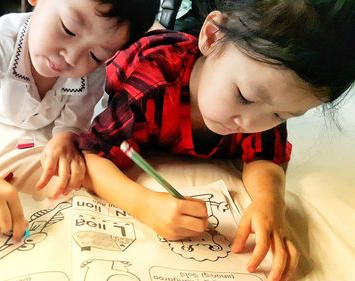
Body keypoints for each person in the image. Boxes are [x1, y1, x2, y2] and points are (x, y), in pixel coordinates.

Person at [78, 0, 354, 280]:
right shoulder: (149, 88)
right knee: (143, 32)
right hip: (145, 51)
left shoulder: (265, 101)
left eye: (282, 115)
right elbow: (90, 156)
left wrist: (268, 201)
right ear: (212, 36)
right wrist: (144, 205)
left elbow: (265, 156)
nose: (251, 124)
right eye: (244, 96)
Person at [0, 0, 160, 242]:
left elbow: (76, 118)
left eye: (96, 55)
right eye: (68, 29)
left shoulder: (91, 72)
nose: (71, 58)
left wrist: (65, 137)